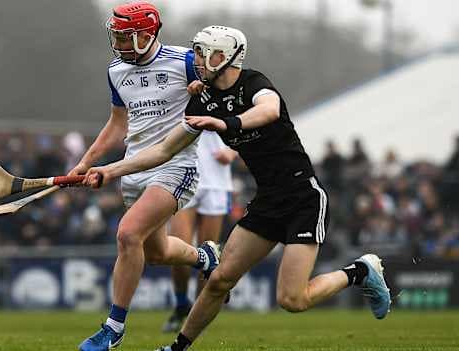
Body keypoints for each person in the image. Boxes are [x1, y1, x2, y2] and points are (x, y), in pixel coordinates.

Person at [83, 25, 391, 351]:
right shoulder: (201, 101)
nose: (198, 59)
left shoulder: (254, 83)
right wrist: (108, 171)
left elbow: (269, 110)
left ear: (227, 57)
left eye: (206, 53)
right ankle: (177, 349)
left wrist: (228, 124)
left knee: (291, 299)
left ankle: (360, 271)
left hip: (303, 198)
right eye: (198, 52)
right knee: (218, 281)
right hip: (267, 202)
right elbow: (161, 152)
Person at [71, 3, 221, 350]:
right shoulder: (116, 70)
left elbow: (218, 98)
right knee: (154, 252)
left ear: (146, 34)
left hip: (176, 167)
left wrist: (204, 92)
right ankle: (206, 258)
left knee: (127, 234)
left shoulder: (185, 61)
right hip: (133, 170)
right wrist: (86, 161)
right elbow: (118, 123)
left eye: (125, 37)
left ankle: (113, 329)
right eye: (117, 37)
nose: (119, 44)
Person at [162, 131, 237, 333]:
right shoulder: (183, 97)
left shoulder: (228, 99)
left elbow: (247, 126)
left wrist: (232, 151)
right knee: (178, 248)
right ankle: (180, 304)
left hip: (216, 182)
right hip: (183, 175)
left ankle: (196, 316)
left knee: (209, 253)